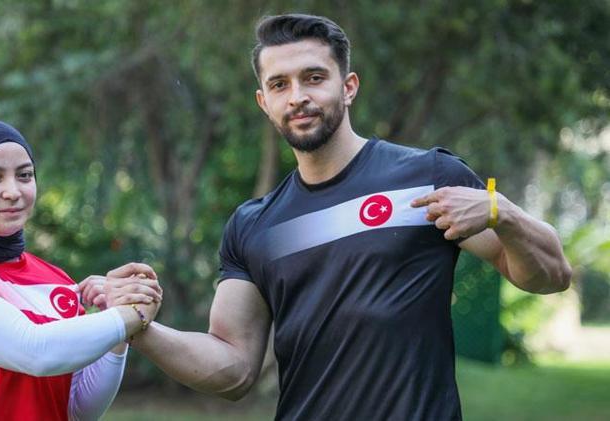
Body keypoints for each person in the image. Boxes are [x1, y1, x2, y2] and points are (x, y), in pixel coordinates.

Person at [80, 13, 572, 421]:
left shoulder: (427, 177)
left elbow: (550, 275)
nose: (297, 96)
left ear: (348, 86)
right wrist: (135, 326)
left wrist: (501, 212)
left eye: (314, 78)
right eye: (280, 84)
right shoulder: (255, 225)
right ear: (264, 102)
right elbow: (234, 370)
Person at [0, 119, 162, 421]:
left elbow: (79, 410)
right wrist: (132, 315)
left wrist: (116, 322)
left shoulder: (56, 280)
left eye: (24, 175)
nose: (13, 191)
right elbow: (35, 351)